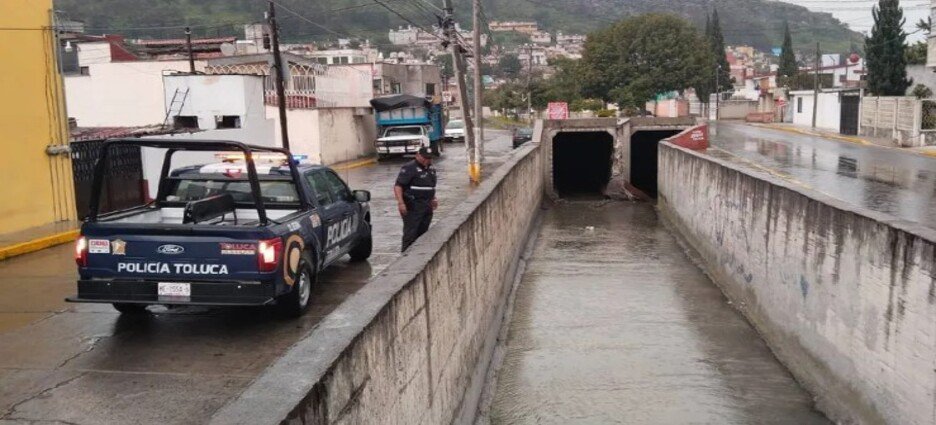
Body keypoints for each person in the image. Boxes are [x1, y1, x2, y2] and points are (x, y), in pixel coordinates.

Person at [394, 147, 438, 251]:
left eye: (429, 158)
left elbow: (430, 186)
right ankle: (406, 257)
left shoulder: (431, 169)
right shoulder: (409, 168)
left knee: (423, 233)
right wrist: (401, 203)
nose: (427, 160)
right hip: (413, 206)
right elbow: (398, 186)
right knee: (410, 234)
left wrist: (434, 198)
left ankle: (419, 253)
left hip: (427, 206)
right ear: (417, 155)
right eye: (424, 158)